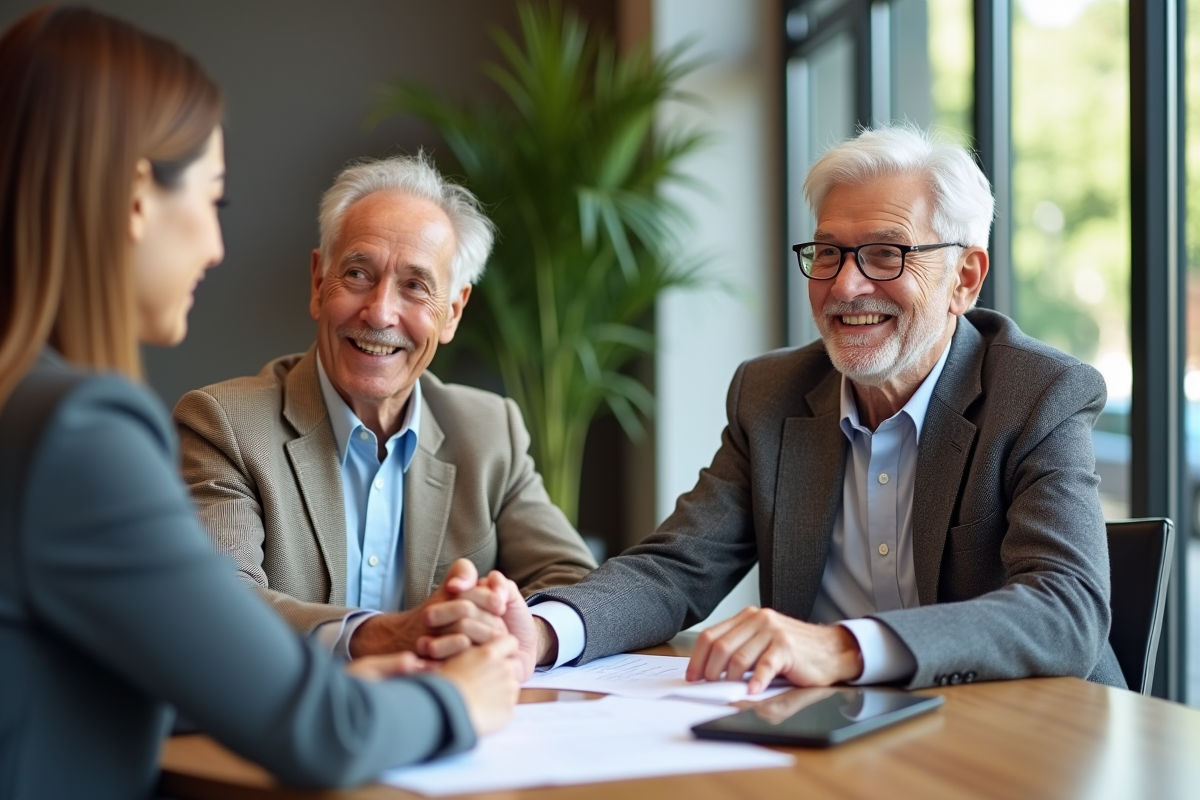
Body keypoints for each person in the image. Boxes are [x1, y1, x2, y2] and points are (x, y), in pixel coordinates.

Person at [0, 8, 523, 799]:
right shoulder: (78, 432)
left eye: (416, 286)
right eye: (213, 199)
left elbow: (119, 678)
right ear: (139, 197)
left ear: (453, 311)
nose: (215, 246)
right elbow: (318, 734)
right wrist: (460, 698)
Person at [523, 125, 1126, 692]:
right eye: (829, 253)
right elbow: (676, 568)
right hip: (833, 735)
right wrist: (539, 631)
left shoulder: (1040, 392)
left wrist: (842, 648)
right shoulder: (770, 393)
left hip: (1025, 740)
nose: (844, 286)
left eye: (887, 254)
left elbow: (1065, 607)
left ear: (963, 279)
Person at [172, 154, 596, 661]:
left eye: (415, 286)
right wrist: (381, 635)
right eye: (357, 274)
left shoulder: (488, 431)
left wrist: (505, 617)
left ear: (452, 313)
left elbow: (572, 580)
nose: (380, 312)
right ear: (317, 283)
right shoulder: (225, 425)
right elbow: (217, 605)